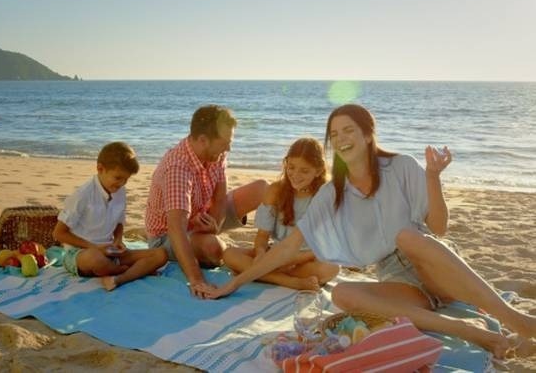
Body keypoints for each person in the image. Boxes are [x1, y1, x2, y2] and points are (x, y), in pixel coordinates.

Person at [202, 104, 535, 358]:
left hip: (432, 268)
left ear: (367, 133)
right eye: (334, 135)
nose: (341, 139)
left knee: (405, 236)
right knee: (342, 294)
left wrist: (433, 177)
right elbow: (287, 248)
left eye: (348, 131)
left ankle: (516, 320)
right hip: (403, 285)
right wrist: (233, 283)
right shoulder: (332, 194)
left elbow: (439, 228)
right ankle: (472, 332)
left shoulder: (401, 167)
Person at [145, 104, 268, 298]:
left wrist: (215, 224)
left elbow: (220, 197)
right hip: (168, 236)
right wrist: (197, 279)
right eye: (225, 142)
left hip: (202, 218)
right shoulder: (178, 168)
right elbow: (176, 228)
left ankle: (280, 248)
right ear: (203, 140)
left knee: (262, 189)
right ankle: (247, 256)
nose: (229, 147)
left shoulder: (216, 153)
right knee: (213, 247)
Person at [222, 137, 339, 291]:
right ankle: (288, 282)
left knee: (331, 268)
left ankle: (263, 275)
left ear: (318, 171)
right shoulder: (275, 191)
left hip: (308, 258)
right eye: (291, 167)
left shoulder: (325, 195)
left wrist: (289, 260)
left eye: (304, 170)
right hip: (275, 253)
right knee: (229, 254)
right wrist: (261, 253)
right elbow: (262, 236)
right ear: (286, 163)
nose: (295, 175)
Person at [53, 141, 167, 291]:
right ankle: (130, 271)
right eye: (118, 178)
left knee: (161, 254)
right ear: (100, 169)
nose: (121, 183)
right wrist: (94, 247)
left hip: (110, 252)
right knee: (95, 259)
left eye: (126, 179)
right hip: (81, 253)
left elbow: (119, 223)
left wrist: (118, 240)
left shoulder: (120, 191)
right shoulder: (83, 195)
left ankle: (118, 276)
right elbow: (59, 233)